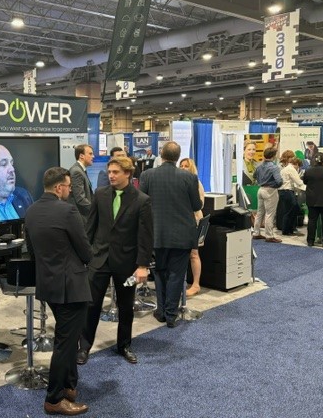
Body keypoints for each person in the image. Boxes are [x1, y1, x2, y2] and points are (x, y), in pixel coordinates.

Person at [24, 167, 93, 416]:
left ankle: (69, 386)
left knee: (68, 337)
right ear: (58, 187)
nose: (70, 191)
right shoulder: (67, 211)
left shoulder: (31, 211)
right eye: (68, 186)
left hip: (48, 285)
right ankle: (54, 399)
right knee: (65, 343)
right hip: (71, 287)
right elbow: (85, 250)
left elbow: (31, 251)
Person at [77, 156, 153, 365]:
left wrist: (142, 265)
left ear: (127, 173)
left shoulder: (142, 200)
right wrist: (84, 256)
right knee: (91, 305)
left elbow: (145, 236)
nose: (111, 175)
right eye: (110, 172)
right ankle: (84, 347)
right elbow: (90, 227)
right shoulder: (100, 194)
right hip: (99, 260)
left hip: (127, 263)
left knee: (126, 306)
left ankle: (124, 345)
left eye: (115, 172)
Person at [140, 142, 202, 328]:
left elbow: (141, 203)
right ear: (177, 157)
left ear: (162, 155)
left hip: (157, 233)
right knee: (176, 274)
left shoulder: (147, 175)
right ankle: (171, 314)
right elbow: (196, 206)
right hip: (182, 234)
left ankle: (161, 311)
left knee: (160, 272)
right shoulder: (189, 177)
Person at [178, 158, 205, 297]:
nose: (183, 168)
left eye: (186, 166)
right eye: (181, 166)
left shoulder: (196, 183)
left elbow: (199, 204)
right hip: (182, 222)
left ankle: (196, 284)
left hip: (194, 221)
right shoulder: (179, 182)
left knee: (194, 254)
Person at [252, 147, 283, 243]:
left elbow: (254, 176)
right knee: (270, 214)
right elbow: (279, 181)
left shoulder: (259, 166)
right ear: (273, 156)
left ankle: (256, 233)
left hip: (260, 189)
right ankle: (269, 236)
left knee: (259, 213)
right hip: (270, 190)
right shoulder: (274, 167)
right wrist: (274, 185)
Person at [278, 151, 305, 236]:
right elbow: (298, 182)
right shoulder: (291, 169)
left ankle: (289, 230)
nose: (298, 169)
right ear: (296, 165)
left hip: (282, 192)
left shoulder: (285, 169)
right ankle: (286, 231)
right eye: (298, 167)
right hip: (287, 191)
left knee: (288, 210)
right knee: (291, 211)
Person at [68, 144, 95, 222]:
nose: (93, 156)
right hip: (80, 216)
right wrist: (94, 210)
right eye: (90, 154)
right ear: (81, 156)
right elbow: (80, 198)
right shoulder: (77, 171)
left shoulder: (80, 170)